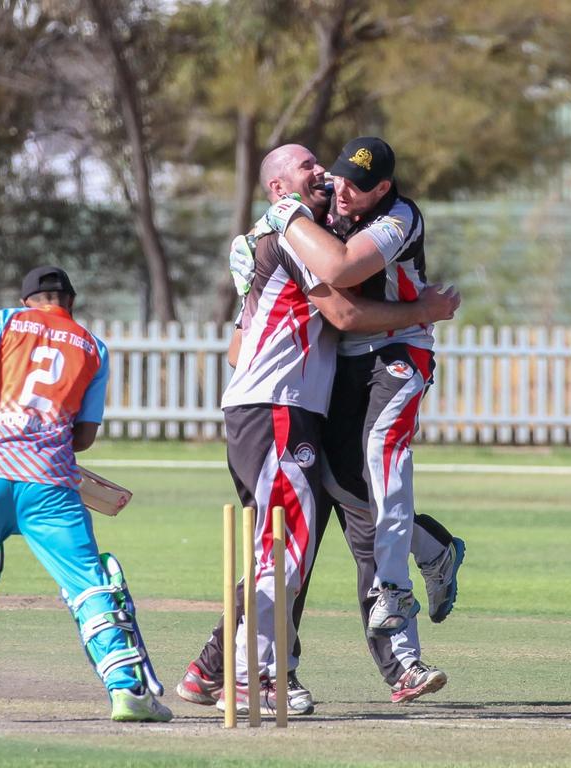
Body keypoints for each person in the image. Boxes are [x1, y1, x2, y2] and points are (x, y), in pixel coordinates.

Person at [179, 144, 461, 716]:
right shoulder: (292, 229)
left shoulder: (302, 229)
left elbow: (239, 347)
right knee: (285, 545)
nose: (323, 175)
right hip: (276, 406)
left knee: (295, 539)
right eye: (308, 166)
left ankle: (216, 669)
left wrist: (256, 300)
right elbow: (345, 307)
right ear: (280, 189)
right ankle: (254, 674)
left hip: (289, 404)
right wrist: (425, 309)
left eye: (320, 164)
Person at [0, 265, 172, 723]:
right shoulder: (93, 345)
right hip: (49, 481)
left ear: (28, 300)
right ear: (69, 302)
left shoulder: (6, 321)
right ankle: (126, 692)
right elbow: (84, 438)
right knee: (89, 584)